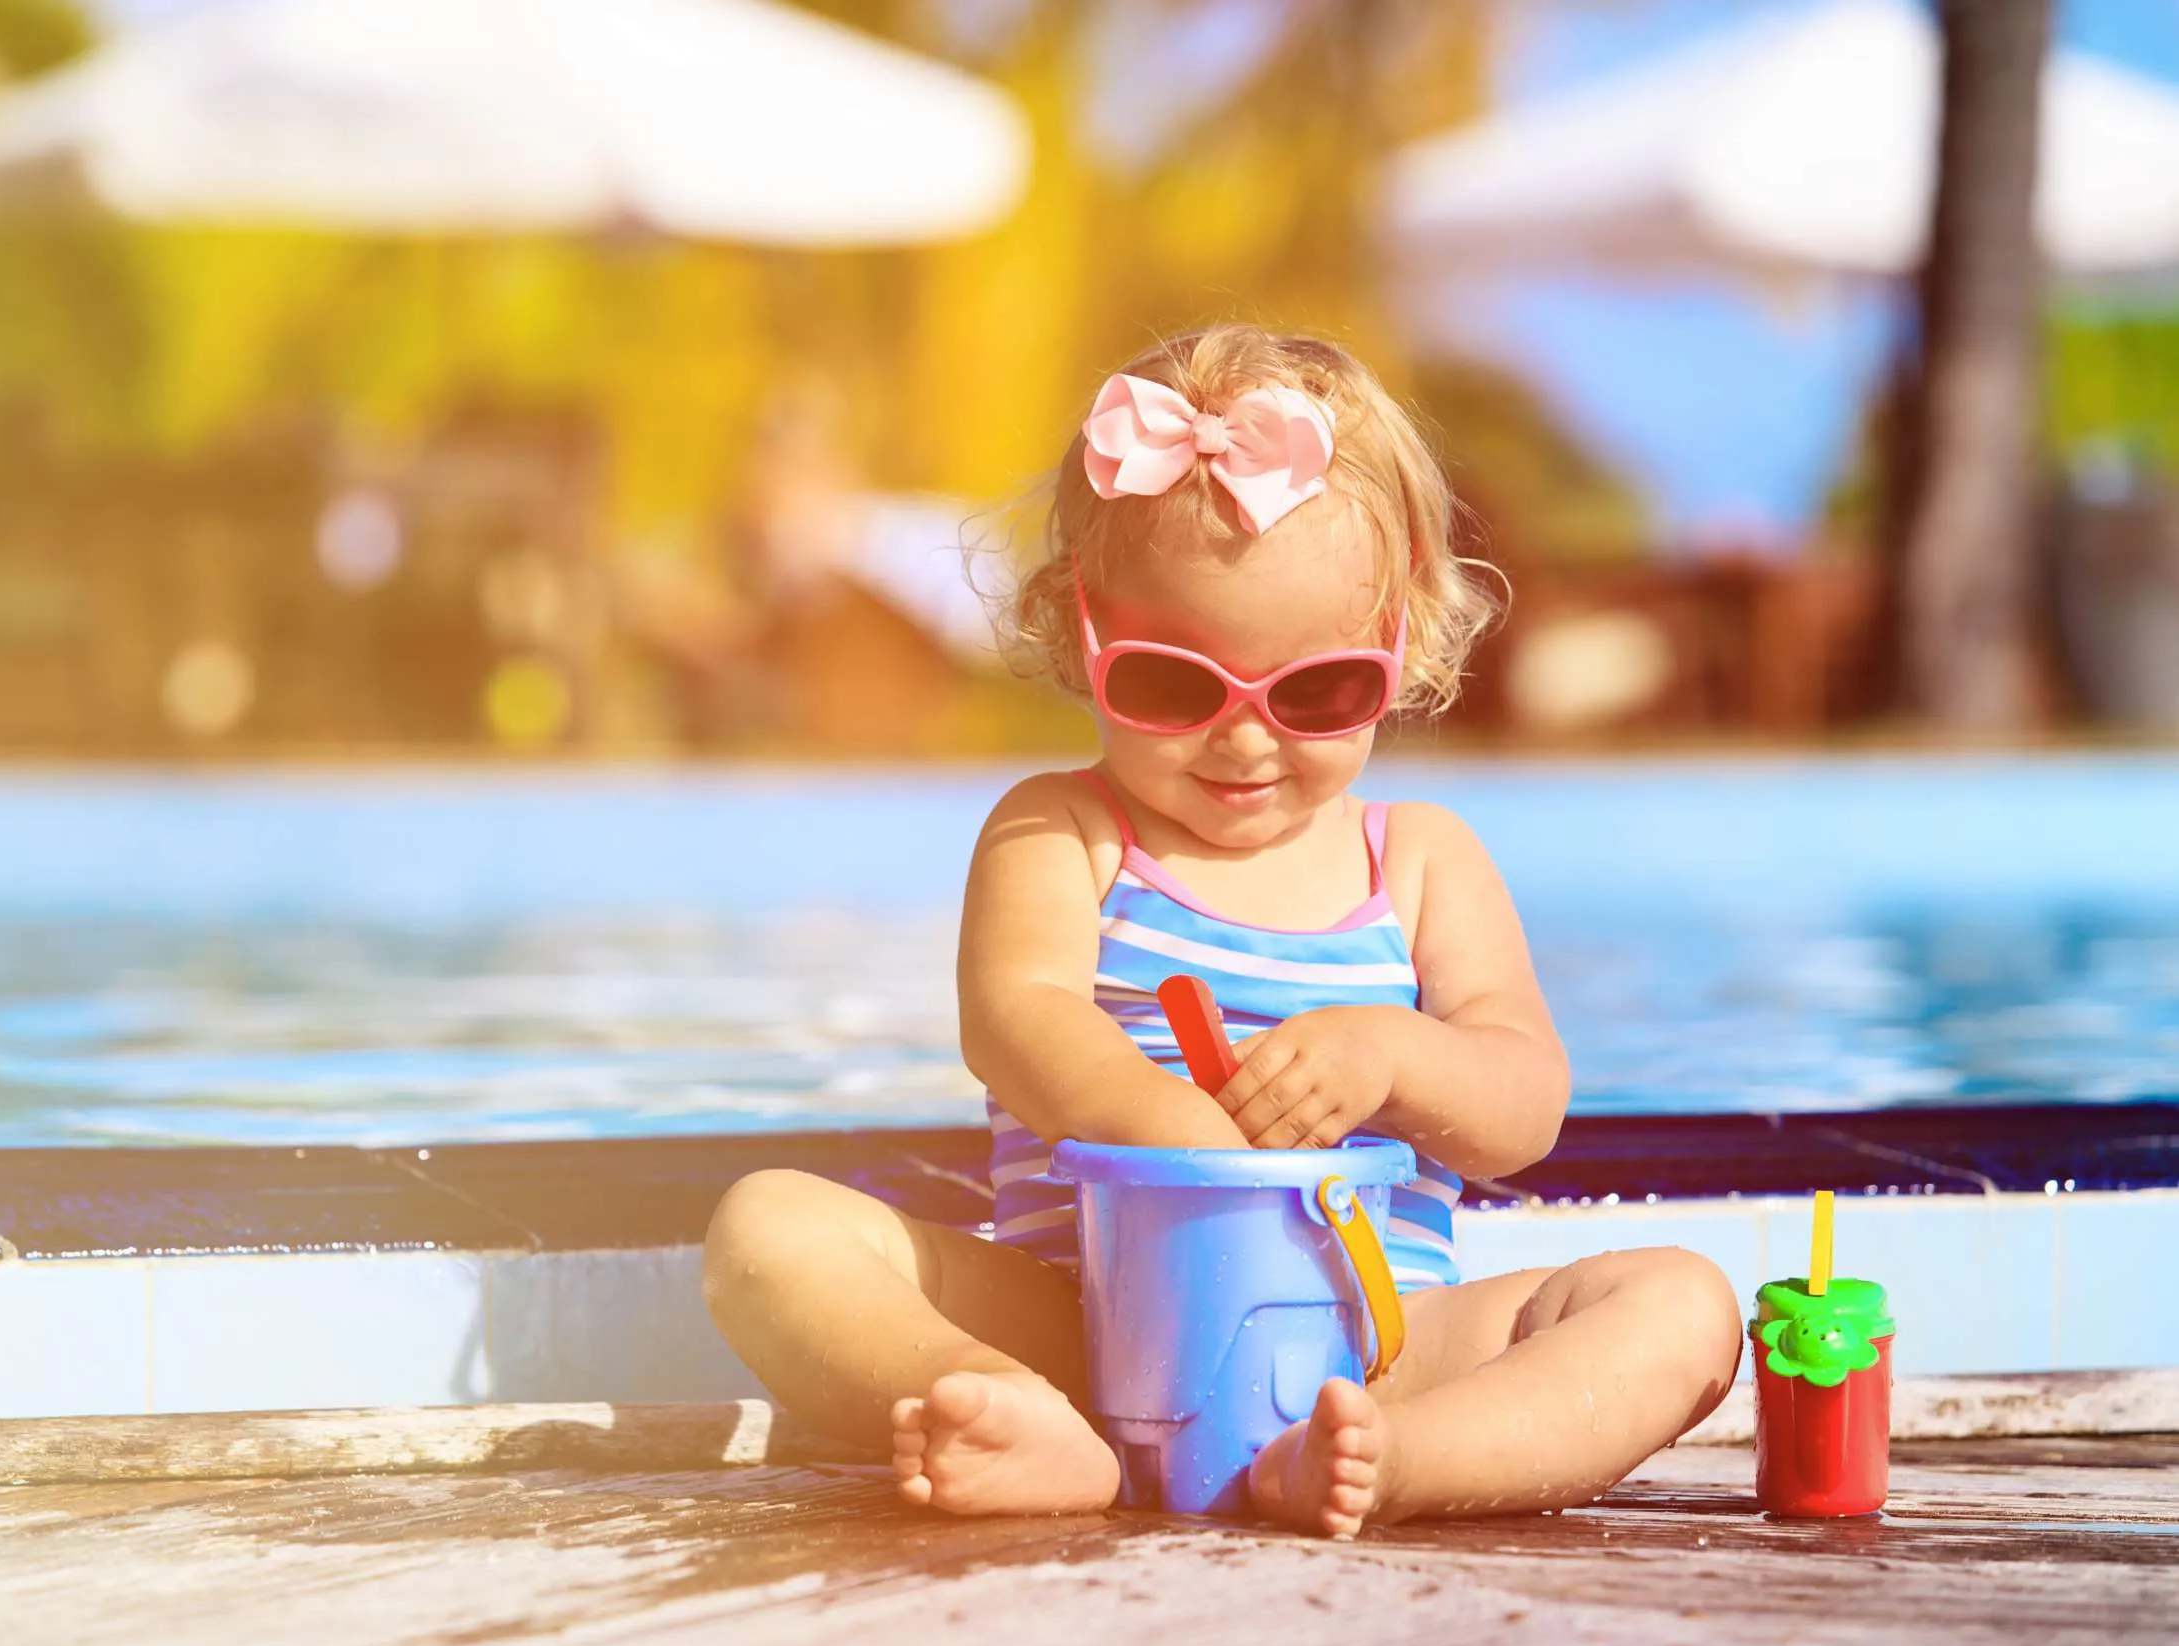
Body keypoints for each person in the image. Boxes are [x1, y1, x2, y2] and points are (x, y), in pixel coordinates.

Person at [703, 326, 1743, 1537]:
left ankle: (1400, 1457)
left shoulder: (1419, 862)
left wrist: (1392, 1055)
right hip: (1091, 1321)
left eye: (1315, 692)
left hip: (1376, 1335)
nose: (1244, 739)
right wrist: (1197, 1143)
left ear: (1399, 646)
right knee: (767, 1229)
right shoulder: (1066, 831)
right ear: (1079, 631)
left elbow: (1523, 1108)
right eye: (1172, 683)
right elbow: (1017, 1017)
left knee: (1683, 1303)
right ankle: (1006, 1407)